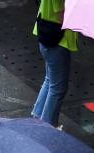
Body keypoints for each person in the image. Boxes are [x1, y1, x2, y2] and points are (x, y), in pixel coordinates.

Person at [31, 0, 79, 128]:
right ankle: (47, 128)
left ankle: (37, 118)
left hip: (46, 36)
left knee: (50, 81)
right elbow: (61, 13)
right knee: (58, 88)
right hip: (58, 41)